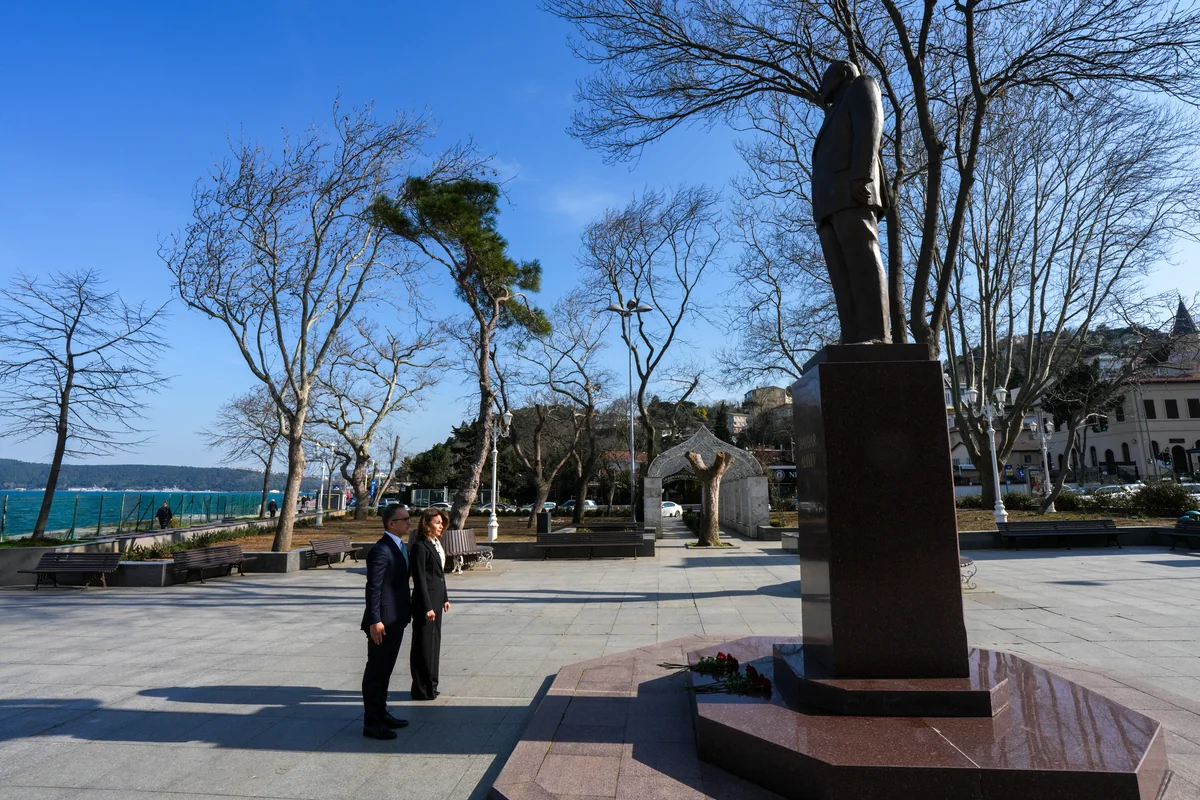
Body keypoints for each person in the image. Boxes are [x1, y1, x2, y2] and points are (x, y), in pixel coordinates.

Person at [811, 59, 891, 345]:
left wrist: (862, 176)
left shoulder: (862, 86)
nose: (821, 87)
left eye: (825, 79)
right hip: (828, 205)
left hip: (851, 191)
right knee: (841, 274)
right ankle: (853, 334)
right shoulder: (833, 113)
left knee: (863, 259)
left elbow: (871, 128)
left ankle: (876, 334)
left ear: (843, 74)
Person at [360, 504, 413, 739]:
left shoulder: (399, 546)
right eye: (405, 519)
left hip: (397, 618)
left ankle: (381, 713)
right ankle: (371, 722)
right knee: (376, 671)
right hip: (383, 622)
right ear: (392, 523)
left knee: (386, 671)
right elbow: (373, 588)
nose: (409, 523)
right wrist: (375, 621)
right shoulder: (381, 550)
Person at [409, 507, 451, 701]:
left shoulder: (436, 544)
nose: (440, 526)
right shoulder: (420, 547)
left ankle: (432, 685)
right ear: (426, 524)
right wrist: (427, 607)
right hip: (425, 603)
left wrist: (445, 598)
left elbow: (439, 575)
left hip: (436, 600)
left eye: (441, 523)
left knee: (434, 643)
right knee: (423, 645)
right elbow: (420, 579)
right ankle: (421, 687)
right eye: (437, 522)